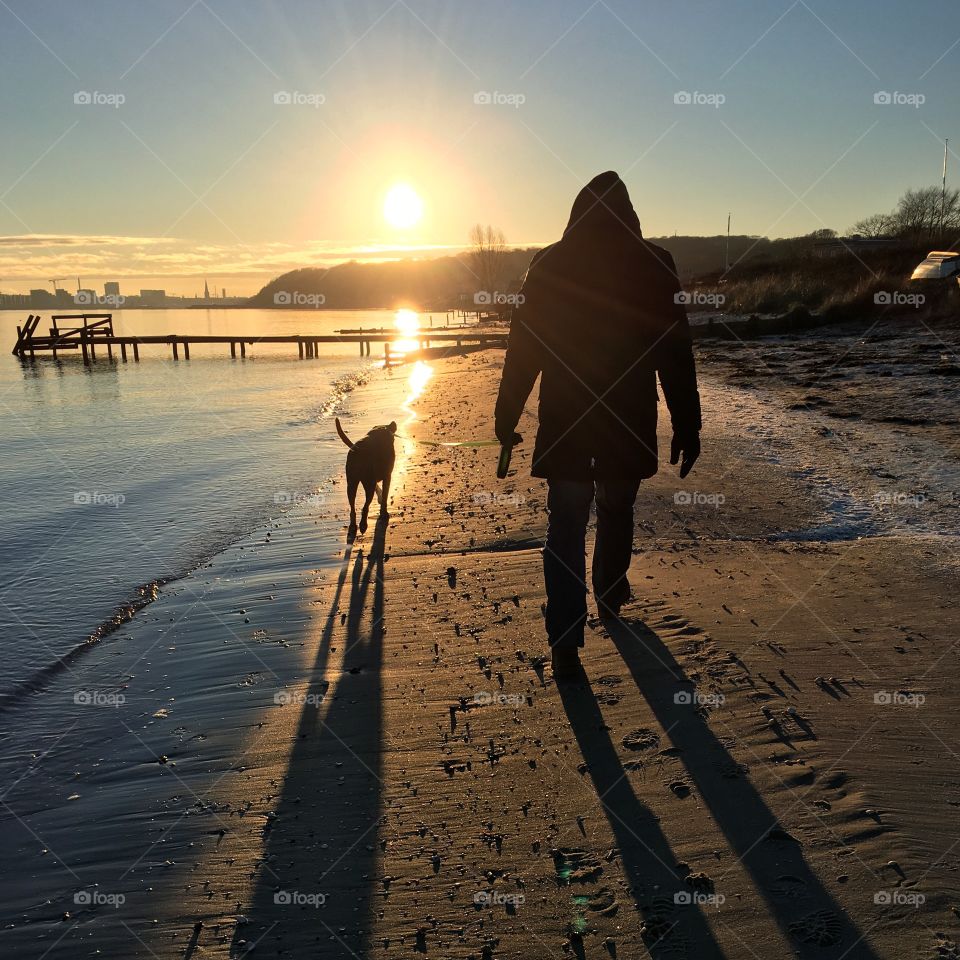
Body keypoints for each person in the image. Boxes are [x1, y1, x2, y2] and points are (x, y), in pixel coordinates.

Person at [494, 171, 702, 679]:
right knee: (616, 509)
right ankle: (609, 594)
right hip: (626, 420)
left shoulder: (549, 263)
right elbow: (675, 353)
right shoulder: (655, 264)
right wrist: (687, 424)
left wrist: (506, 417)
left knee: (565, 525)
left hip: (566, 420)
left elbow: (524, 350)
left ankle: (565, 638)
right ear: (629, 215)